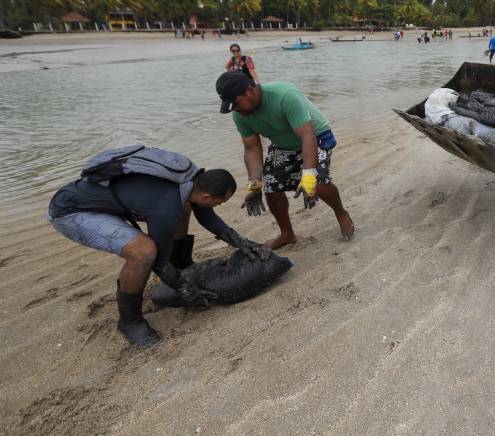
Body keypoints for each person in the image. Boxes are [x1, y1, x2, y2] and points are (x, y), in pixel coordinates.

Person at [47, 150, 269, 347]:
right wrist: (184, 288)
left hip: (97, 197)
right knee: (144, 252)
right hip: (71, 211)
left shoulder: (190, 177)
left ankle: (181, 264)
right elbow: (159, 262)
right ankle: (129, 321)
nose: (217, 207)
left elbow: (204, 212)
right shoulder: (166, 208)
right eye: (219, 203)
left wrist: (238, 240)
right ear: (206, 196)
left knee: (183, 209)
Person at [216, 72, 355, 248]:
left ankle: (341, 212)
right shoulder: (240, 115)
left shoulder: (284, 96)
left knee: (318, 183)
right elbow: (252, 148)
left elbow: (307, 136)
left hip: (316, 136)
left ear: (250, 90)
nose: (236, 110)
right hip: (284, 143)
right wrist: (255, 184)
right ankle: (287, 234)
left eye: (236, 104)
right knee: (270, 184)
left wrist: (308, 175)